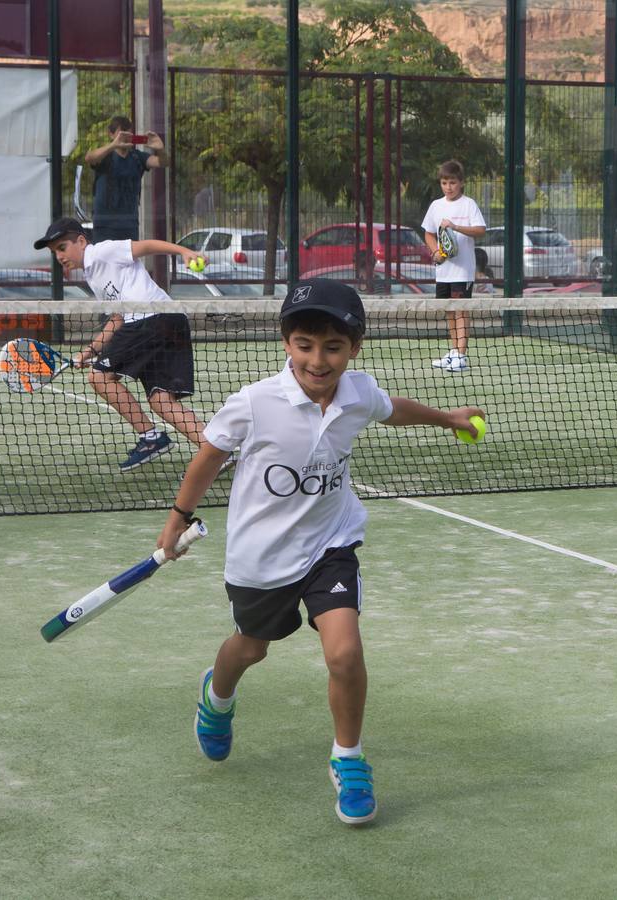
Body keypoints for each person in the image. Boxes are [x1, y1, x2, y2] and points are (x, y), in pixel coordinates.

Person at [155, 278, 484, 825]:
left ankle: (348, 758)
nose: (317, 359)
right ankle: (216, 697)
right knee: (250, 648)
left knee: (345, 652)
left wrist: (446, 416)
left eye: (333, 347)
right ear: (287, 344)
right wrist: (177, 520)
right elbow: (209, 458)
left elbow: (390, 408)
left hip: (330, 543)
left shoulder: (356, 392)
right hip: (261, 556)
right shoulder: (256, 402)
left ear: (353, 349)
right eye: (305, 344)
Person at [33, 217, 208, 472]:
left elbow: (146, 246)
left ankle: (151, 438)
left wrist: (184, 251)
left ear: (81, 241)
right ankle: (215, 452)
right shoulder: (94, 277)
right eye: (54, 252)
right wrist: (90, 351)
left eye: (62, 247)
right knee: (162, 401)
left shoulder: (103, 252)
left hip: (150, 318)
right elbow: (118, 318)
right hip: (171, 321)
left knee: (99, 378)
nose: (59, 256)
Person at [422, 160, 487, 372]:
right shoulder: (436, 206)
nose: (448, 187)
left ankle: (461, 355)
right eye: (444, 182)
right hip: (443, 272)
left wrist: (455, 226)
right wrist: (435, 253)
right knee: (449, 311)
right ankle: (454, 352)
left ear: (461, 183)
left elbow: (480, 230)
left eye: (452, 182)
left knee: (461, 310)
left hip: (462, 270)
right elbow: (429, 233)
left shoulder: (469, 204)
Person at [84, 115, 165, 243]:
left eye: (129, 134)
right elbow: (89, 158)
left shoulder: (137, 157)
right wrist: (113, 145)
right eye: (122, 134)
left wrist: (161, 150)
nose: (126, 137)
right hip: (104, 226)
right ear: (111, 134)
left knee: (128, 262)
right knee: (104, 261)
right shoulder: (105, 156)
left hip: (129, 225)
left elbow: (162, 162)